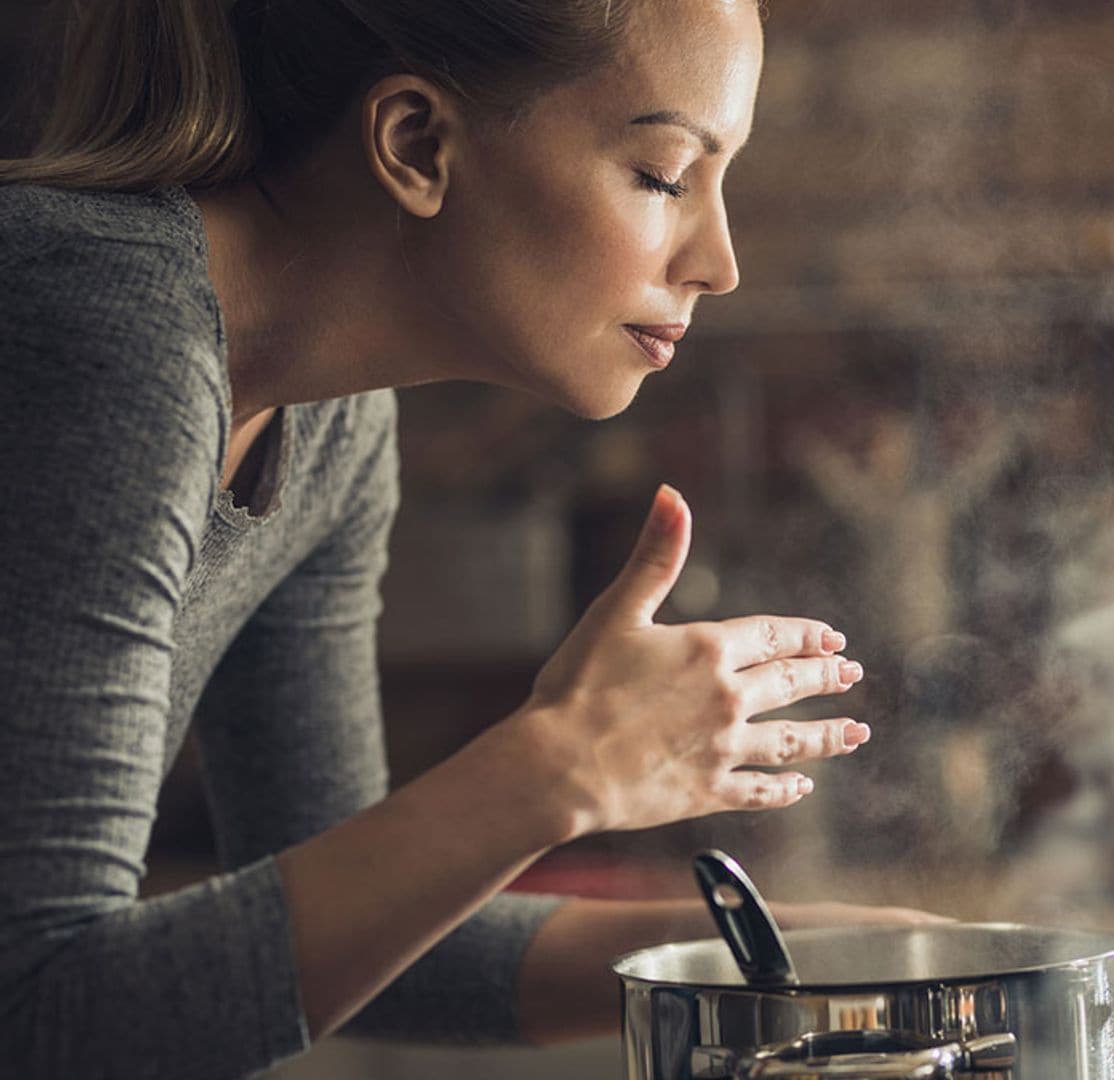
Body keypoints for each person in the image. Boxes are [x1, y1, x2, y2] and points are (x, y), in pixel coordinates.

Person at [0, 1, 935, 1076]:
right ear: (416, 144)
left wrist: (855, 958)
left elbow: (368, 934)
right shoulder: (100, 339)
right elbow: (41, 1020)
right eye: (667, 175)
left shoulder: (332, 424)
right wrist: (562, 764)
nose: (718, 263)